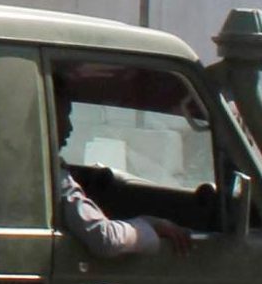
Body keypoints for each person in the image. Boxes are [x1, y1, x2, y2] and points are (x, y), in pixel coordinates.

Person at [53, 74, 195, 259]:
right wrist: (148, 226)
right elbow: (104, 238)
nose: (70, 128)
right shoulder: (49, 174)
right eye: (64, 115)